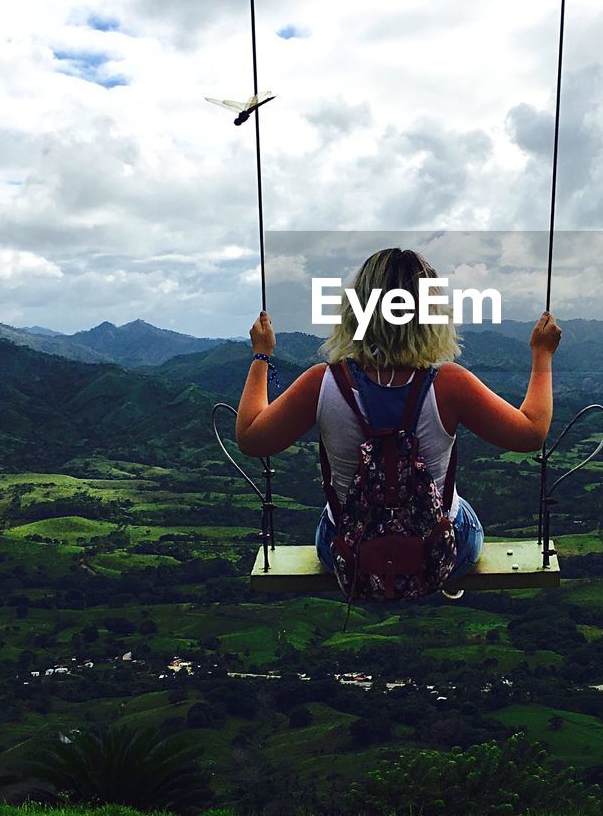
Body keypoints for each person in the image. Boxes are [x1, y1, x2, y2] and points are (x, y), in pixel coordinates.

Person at [235, 247, 562, 584]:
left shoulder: (322, 382)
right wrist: (542, 354)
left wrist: (261, 355)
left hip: (350, 556)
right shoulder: (450, 383)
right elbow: (531, 432)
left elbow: (250, 437)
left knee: (334, 513)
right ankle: (436, 579)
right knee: (460, 511)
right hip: (436, 553)